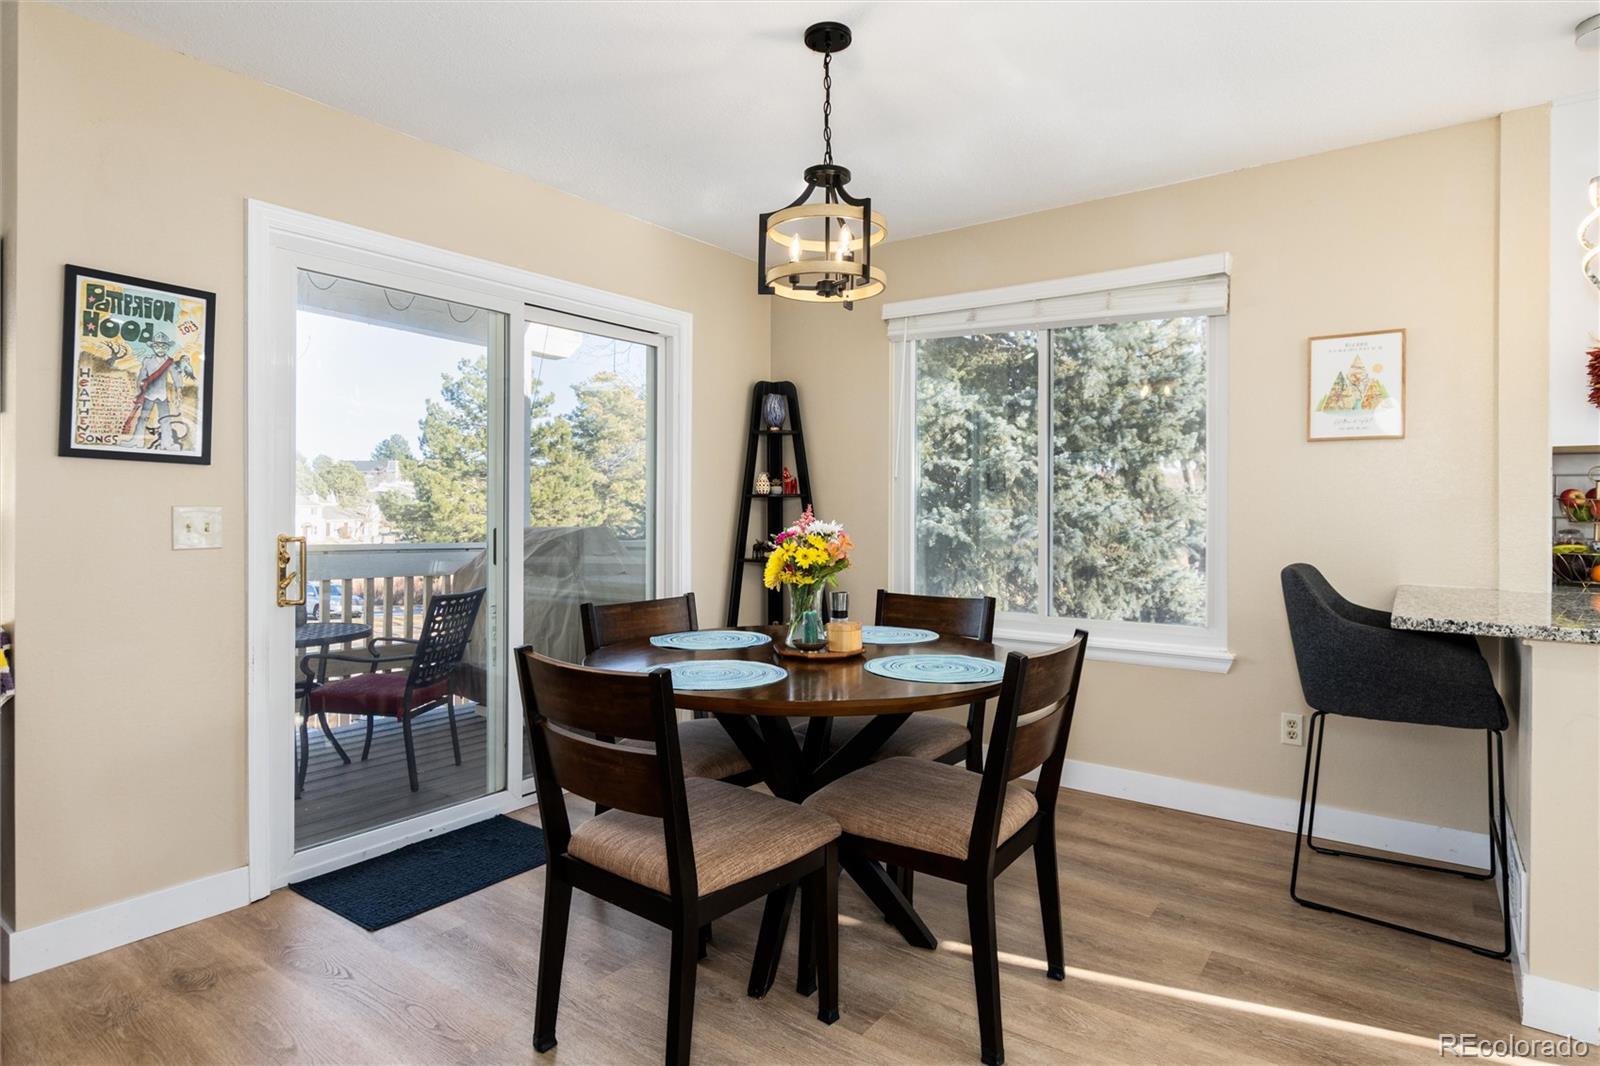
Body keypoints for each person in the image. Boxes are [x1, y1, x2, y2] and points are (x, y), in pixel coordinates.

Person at [126, 332, 195, 449]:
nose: (160, 349)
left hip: (162, 395)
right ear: (153, 347)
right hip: (148, 394)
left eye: (163, 346)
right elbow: (141, 378)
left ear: (167, 347)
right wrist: (138, 393)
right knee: (142, 418)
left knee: (165, 419)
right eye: (157, 346)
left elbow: (176, 377)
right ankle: (136, 441)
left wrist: (179, 391)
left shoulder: (169, 362)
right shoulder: (147, 361)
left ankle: (167, 443)